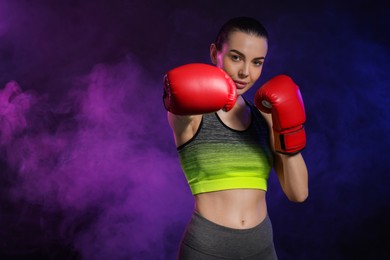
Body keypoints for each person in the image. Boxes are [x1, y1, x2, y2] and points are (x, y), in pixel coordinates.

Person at [163, 16, 308, 259]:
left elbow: (299, 193)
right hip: (207, 248)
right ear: (214, 53)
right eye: (236, 57)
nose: (245, 72)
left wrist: (287, 131)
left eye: (257, 62)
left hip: (261, 246)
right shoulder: (193, 115)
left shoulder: (266, 115)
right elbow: (177, 99)